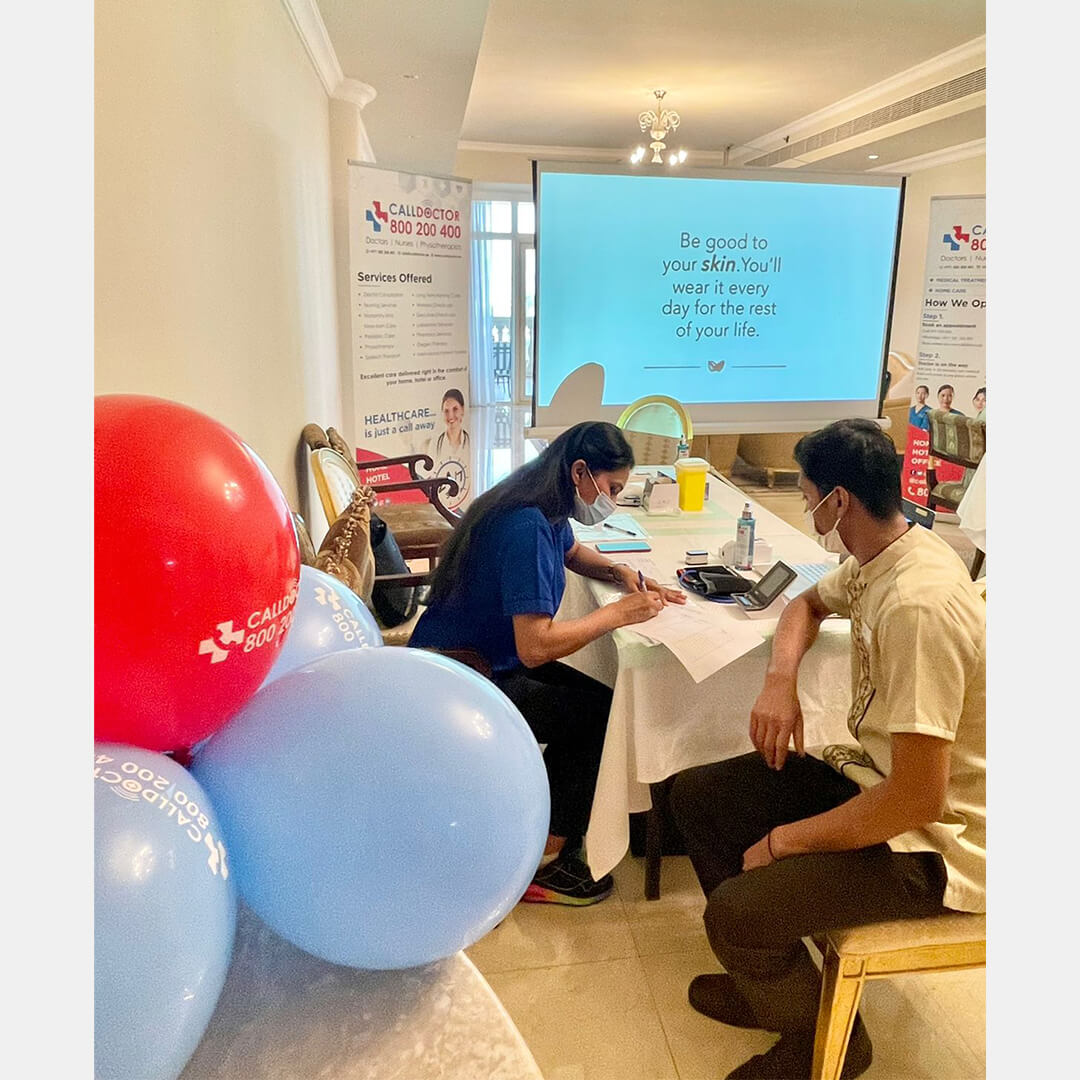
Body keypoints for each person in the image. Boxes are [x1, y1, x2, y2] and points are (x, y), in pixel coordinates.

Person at [668, 418, 985, 1079]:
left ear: (838, 500)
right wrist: (780, 680)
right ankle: (769, 984)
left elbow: (919, 798)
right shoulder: (884, 553)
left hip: (938, 842)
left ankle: (821, 1047)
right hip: (876, 782)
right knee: (699, 796)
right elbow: (803, 605)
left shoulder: (918, 605)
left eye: (808, 494)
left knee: (738, 911)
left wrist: (785, 841)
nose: (807, 506)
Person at [409, 421, 686, 904]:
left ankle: (551, 820)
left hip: (476, 656)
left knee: (601, 702)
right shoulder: (526, 528)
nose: (612, 501)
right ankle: (543, 861)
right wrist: (617, 614)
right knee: (597, 720)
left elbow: (572, 552)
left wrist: (619, 571)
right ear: (580, 472)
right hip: (463, 676)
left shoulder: (539, 503)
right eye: (612, 489)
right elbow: (536, 646)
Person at [424, 388, 471, 512]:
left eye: (455, 409)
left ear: (463, 410)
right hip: (442, 506)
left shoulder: (471, 441)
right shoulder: (436, 443)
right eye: (446, 411)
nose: (451, 415)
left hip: (466, 505)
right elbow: (429, 476)